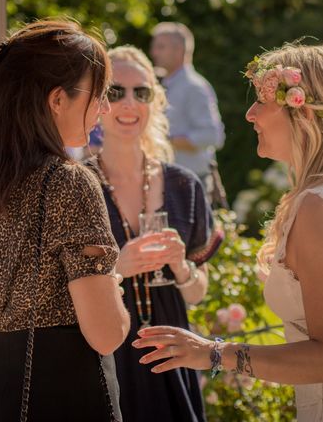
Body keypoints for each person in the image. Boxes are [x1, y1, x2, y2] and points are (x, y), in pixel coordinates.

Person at [134, 41, 323, 421]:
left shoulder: (321, 207)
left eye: (261, 101)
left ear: (303, 112)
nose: (249, 114)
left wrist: (213, 352)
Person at [0, 20, 130, 422]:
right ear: (57, 99)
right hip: (63, 393)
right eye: (100, 94)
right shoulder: (68, 182)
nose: (105, 108)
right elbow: (107, 332)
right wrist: (117, 282)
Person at [84, 45, 222, 422]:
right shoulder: (77, 184)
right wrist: (117, 268)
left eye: (141, 92)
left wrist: (180, 267)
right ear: (98, 102)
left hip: (172, 346)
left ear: (155, 102)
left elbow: (197, 294)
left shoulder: (185, 186)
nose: (129, 103)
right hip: (104, 348)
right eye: (116, 91)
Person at [150, 22, 226, 204]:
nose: (154, 53)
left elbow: (212, 136)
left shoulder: (194, 87)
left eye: (161, 47)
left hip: (191, 183)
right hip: (169, 180)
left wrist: (163, 140)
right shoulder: (165, 84)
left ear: (179, 50)